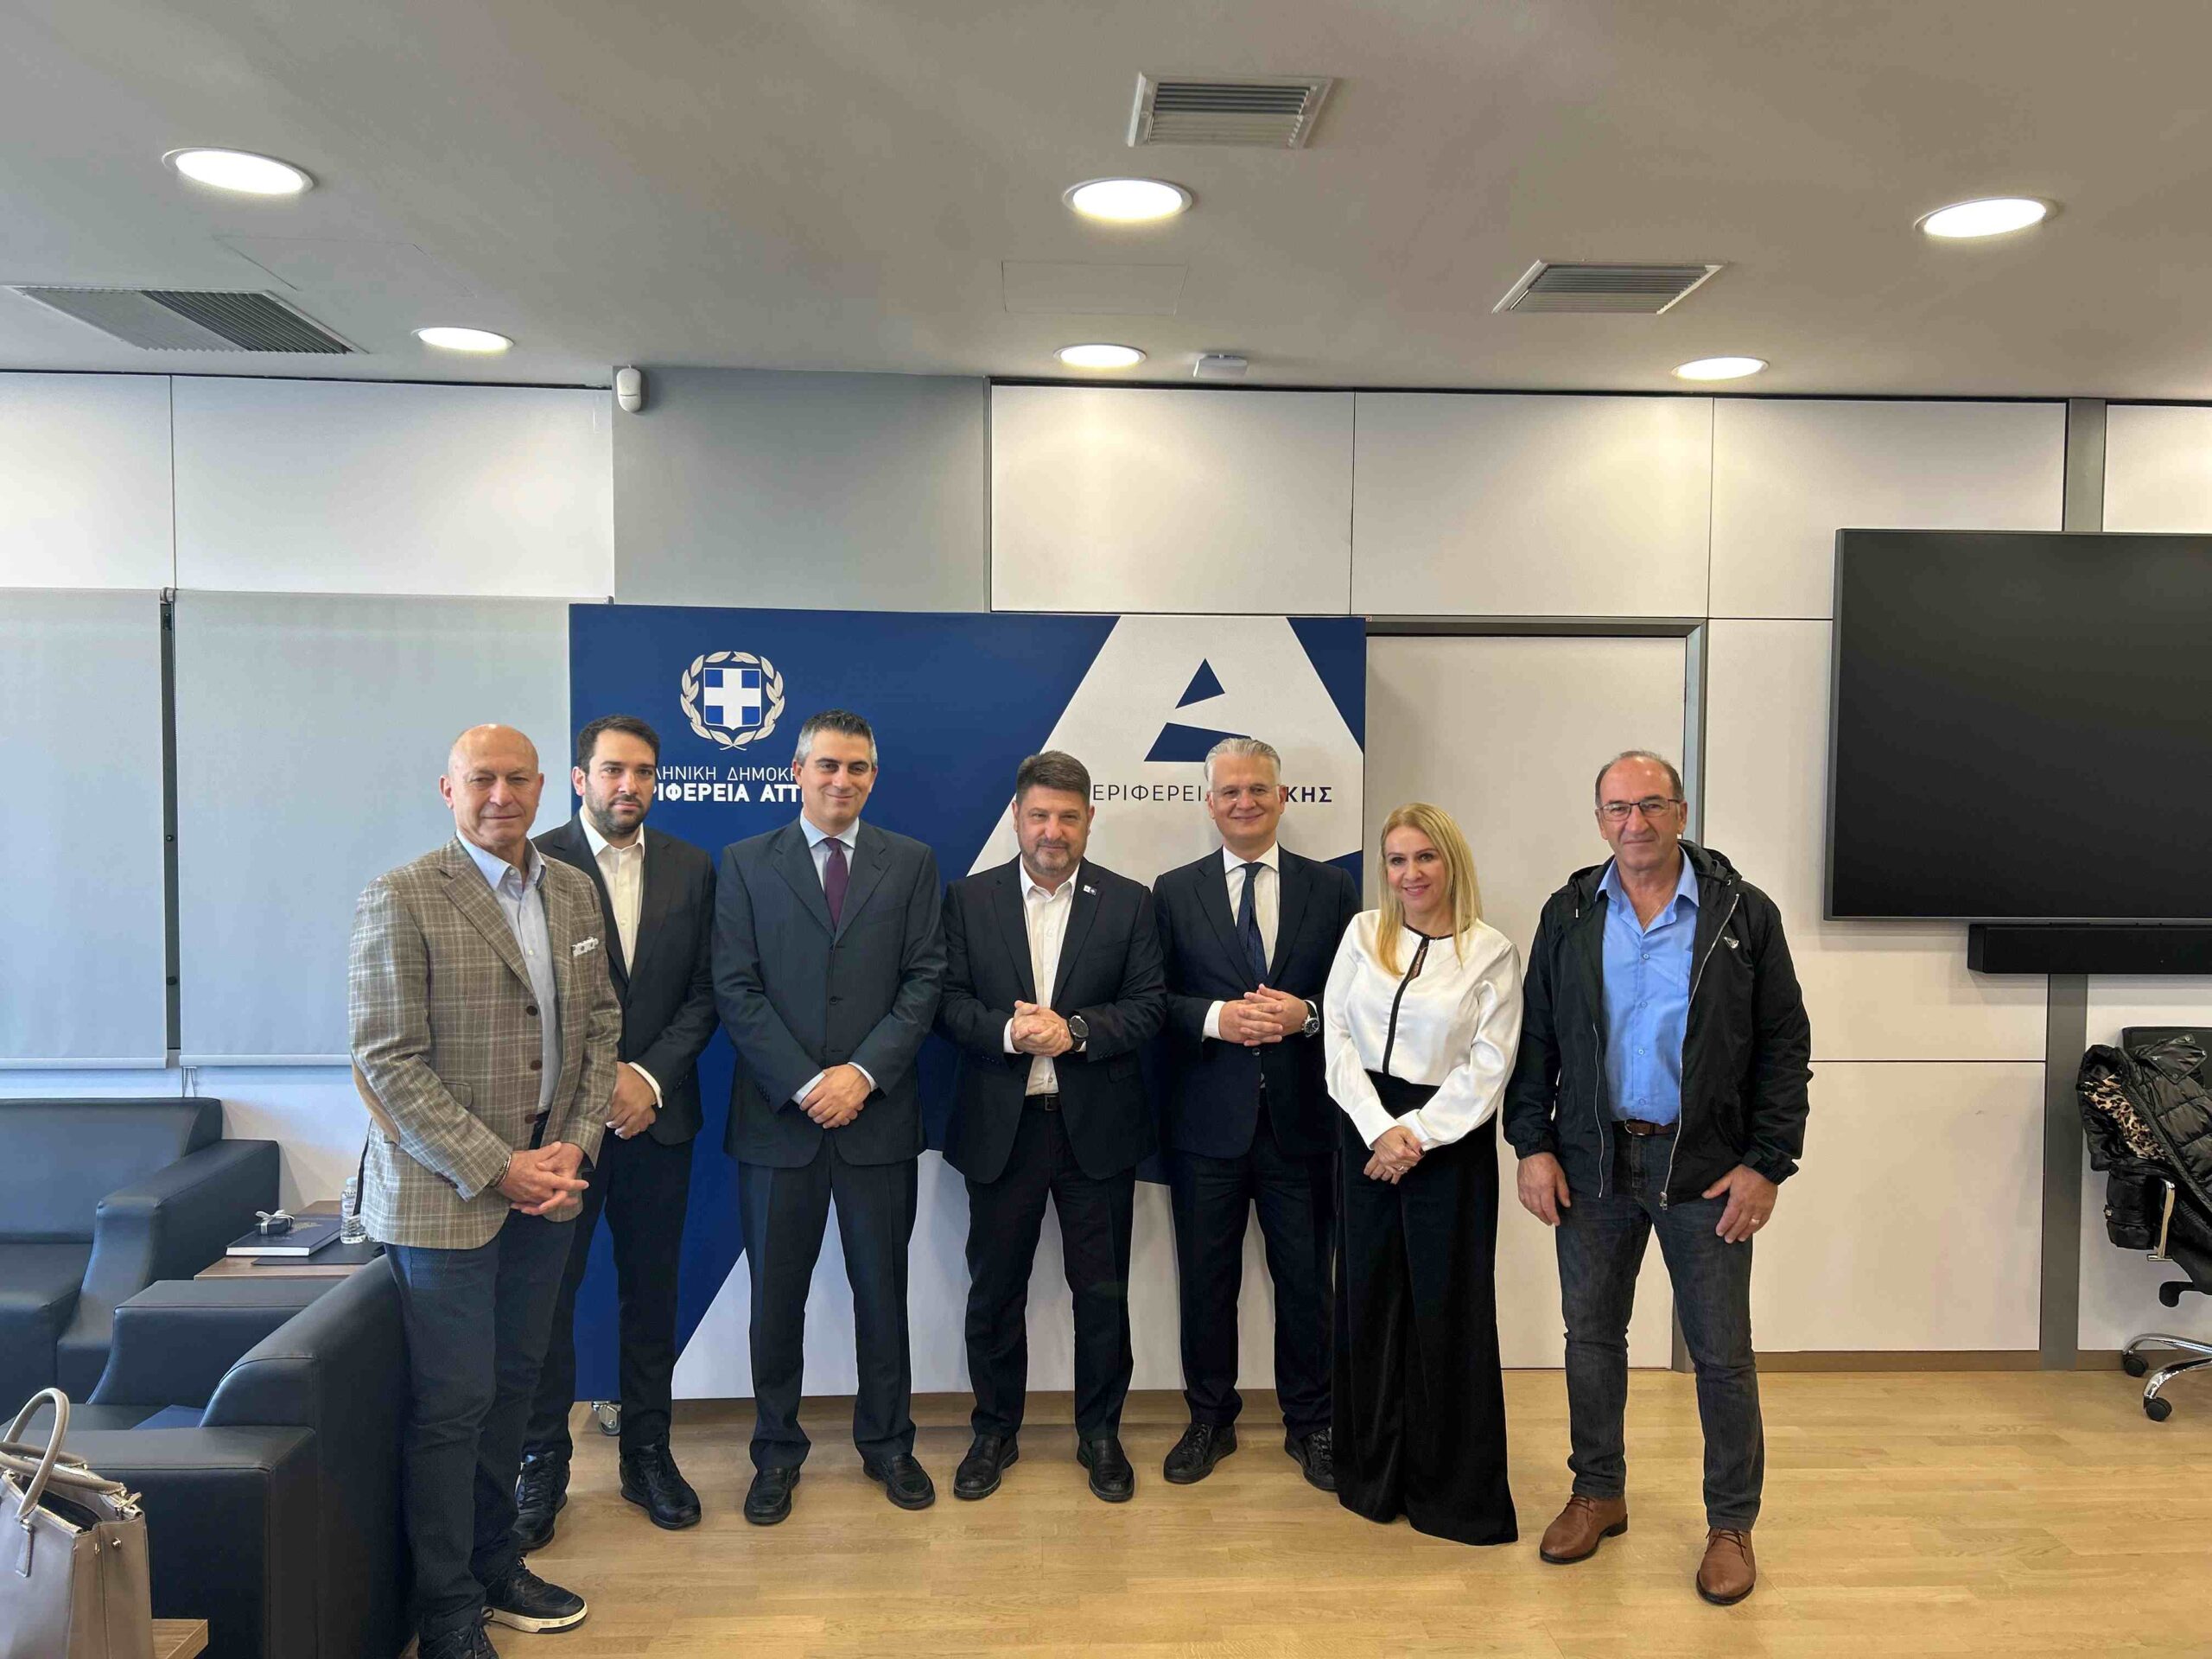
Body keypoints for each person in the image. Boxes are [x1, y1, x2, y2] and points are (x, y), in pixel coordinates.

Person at [1503, 750, 1812, 1607]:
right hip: (1593, 1160)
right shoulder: (1570, 912)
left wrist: (1767, 1163)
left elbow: (1784, 1046)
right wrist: (1531, 1144)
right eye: (1617, 809)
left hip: (1705, 1168)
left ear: (1680, 812)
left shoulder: (1742, 913)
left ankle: (1730, 1525)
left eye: (1650, 805)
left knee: (1721, 1354)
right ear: (1598, 818)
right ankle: (1597, 1492)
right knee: (1591, 1338)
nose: (1633, 824)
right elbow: (1537, 1038)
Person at [348, 724, 620, 1659]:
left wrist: (574, 1147)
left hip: (548, 1188)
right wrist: (501, 1165)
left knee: (513, 1390)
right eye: (481, 780)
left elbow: (599, 1030)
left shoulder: (572, 889)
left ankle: (496, 1561)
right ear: (448, 789)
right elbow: (387, 1063)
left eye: (516, 779)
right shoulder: (401, 895)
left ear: (543, 788)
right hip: (444, 1196)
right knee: (453, 1405)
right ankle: (447, 1606)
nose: (500, 796)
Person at [712, 709, 946, 1522]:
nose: (841, 780)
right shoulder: (745, 864)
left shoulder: (911, 863)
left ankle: (889, 1445)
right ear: (797, 771)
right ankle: (776, 1453)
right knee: (775, 1302)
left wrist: (861, 1076)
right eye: (827, 766)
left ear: (873, 778)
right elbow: (734, 987)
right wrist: (808, 1083)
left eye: (856, 768)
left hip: (877, 1119)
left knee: (883, 1294)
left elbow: (925, 981)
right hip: (779, 1122)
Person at [937, 751, 1166, 1503]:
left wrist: (1074, 1031)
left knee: (1101, 1293)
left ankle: (1100, 1434)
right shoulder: (968, 900)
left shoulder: (1128, 902)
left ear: (1090, 819)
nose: (1052, 831)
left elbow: (1148, 1006)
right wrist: (1010, 1033)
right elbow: (946, 1003)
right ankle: (993, 1432)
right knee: (994, 1291)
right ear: (1016, 817)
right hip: (1001, 1129)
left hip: (1094, 1130)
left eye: (1068, 816)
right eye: (1039, 815)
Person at [515, 715, 718, 1544]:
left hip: (657, 1120)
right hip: (560, 1128)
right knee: (547, 1300)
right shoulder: (535, 862)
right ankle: (542, 1464)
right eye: (611, 771)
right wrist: (601, 1087)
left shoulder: (692, 867)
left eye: (642, 772)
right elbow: (523, 999)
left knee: (651, 1294)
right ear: (580, 779)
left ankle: (648, 1455)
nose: (627, 785)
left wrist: (649, 1079)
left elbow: (707, 991)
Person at [1152, 736, 1358, 1491]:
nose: (1245, 802)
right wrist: (1215, 1018)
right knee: (1206, 1283)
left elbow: (1357, 997)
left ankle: (1313, 1423)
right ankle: (1210, 1418)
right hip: (1205, 1125)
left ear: (1283, 797)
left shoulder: (1331, 888)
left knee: (1306, 1283)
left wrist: (1307, 1014)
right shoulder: (1172, 891)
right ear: (1209, 802)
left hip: (1302, 1126)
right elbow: (1153, 1001)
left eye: (1258, 789)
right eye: (1231, 791)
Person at [1322, 802, 1522, 1547]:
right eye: (1398, 860)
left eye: (1425, 857)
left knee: (1446, 1310)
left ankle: (1453, 1495)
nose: (1411, 874)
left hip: (1450, 1145)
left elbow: (1489, 1065)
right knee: (1369, 1300)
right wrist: (1379, 1129)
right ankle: (1373, 1477)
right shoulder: (1361, 933)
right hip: (1363, 1131)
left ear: (1451, 861)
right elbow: (1337, 1036)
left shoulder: (1491, 952)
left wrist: (1417, 1137)